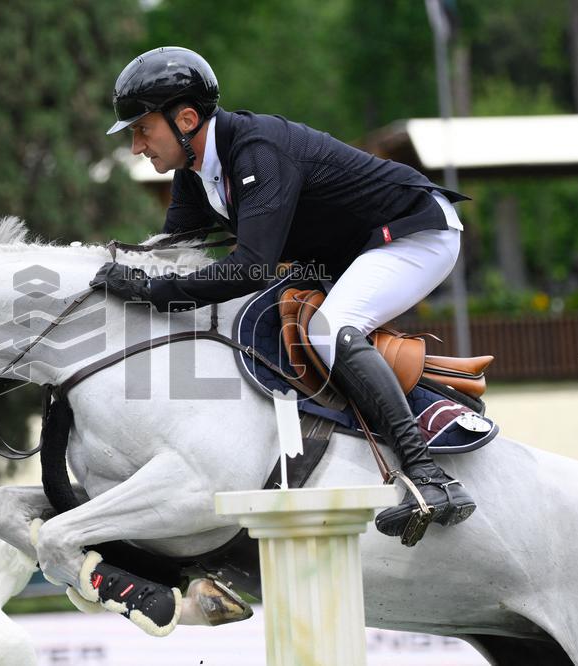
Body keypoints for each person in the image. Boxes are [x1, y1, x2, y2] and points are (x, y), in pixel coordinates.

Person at [91, 46, 476, 544]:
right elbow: (170, 254)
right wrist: (110, 274)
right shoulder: (193, 174)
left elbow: (251, 267)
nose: (136, 147)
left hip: (414, 234)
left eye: (143, 130)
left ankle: (429, 476)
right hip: (352, 252)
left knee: (330, 329)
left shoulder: (258, 151)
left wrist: (152, 292)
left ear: (186, 120)